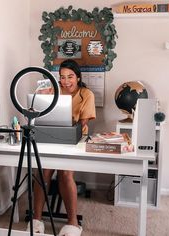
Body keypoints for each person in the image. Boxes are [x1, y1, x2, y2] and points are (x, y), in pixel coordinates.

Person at [28, 59, 96, 236]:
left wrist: (68, 131)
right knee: (42, 172)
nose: (66, 81)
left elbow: (83, 124)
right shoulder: (52, 90)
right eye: (62, 77)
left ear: (78, 77)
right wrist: (41, 96)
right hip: (51, 138)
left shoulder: (86, 94)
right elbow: (39, 116)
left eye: (70, 76)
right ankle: (36, 220)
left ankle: (73, 223)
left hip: (75, 140)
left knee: (65, 173)